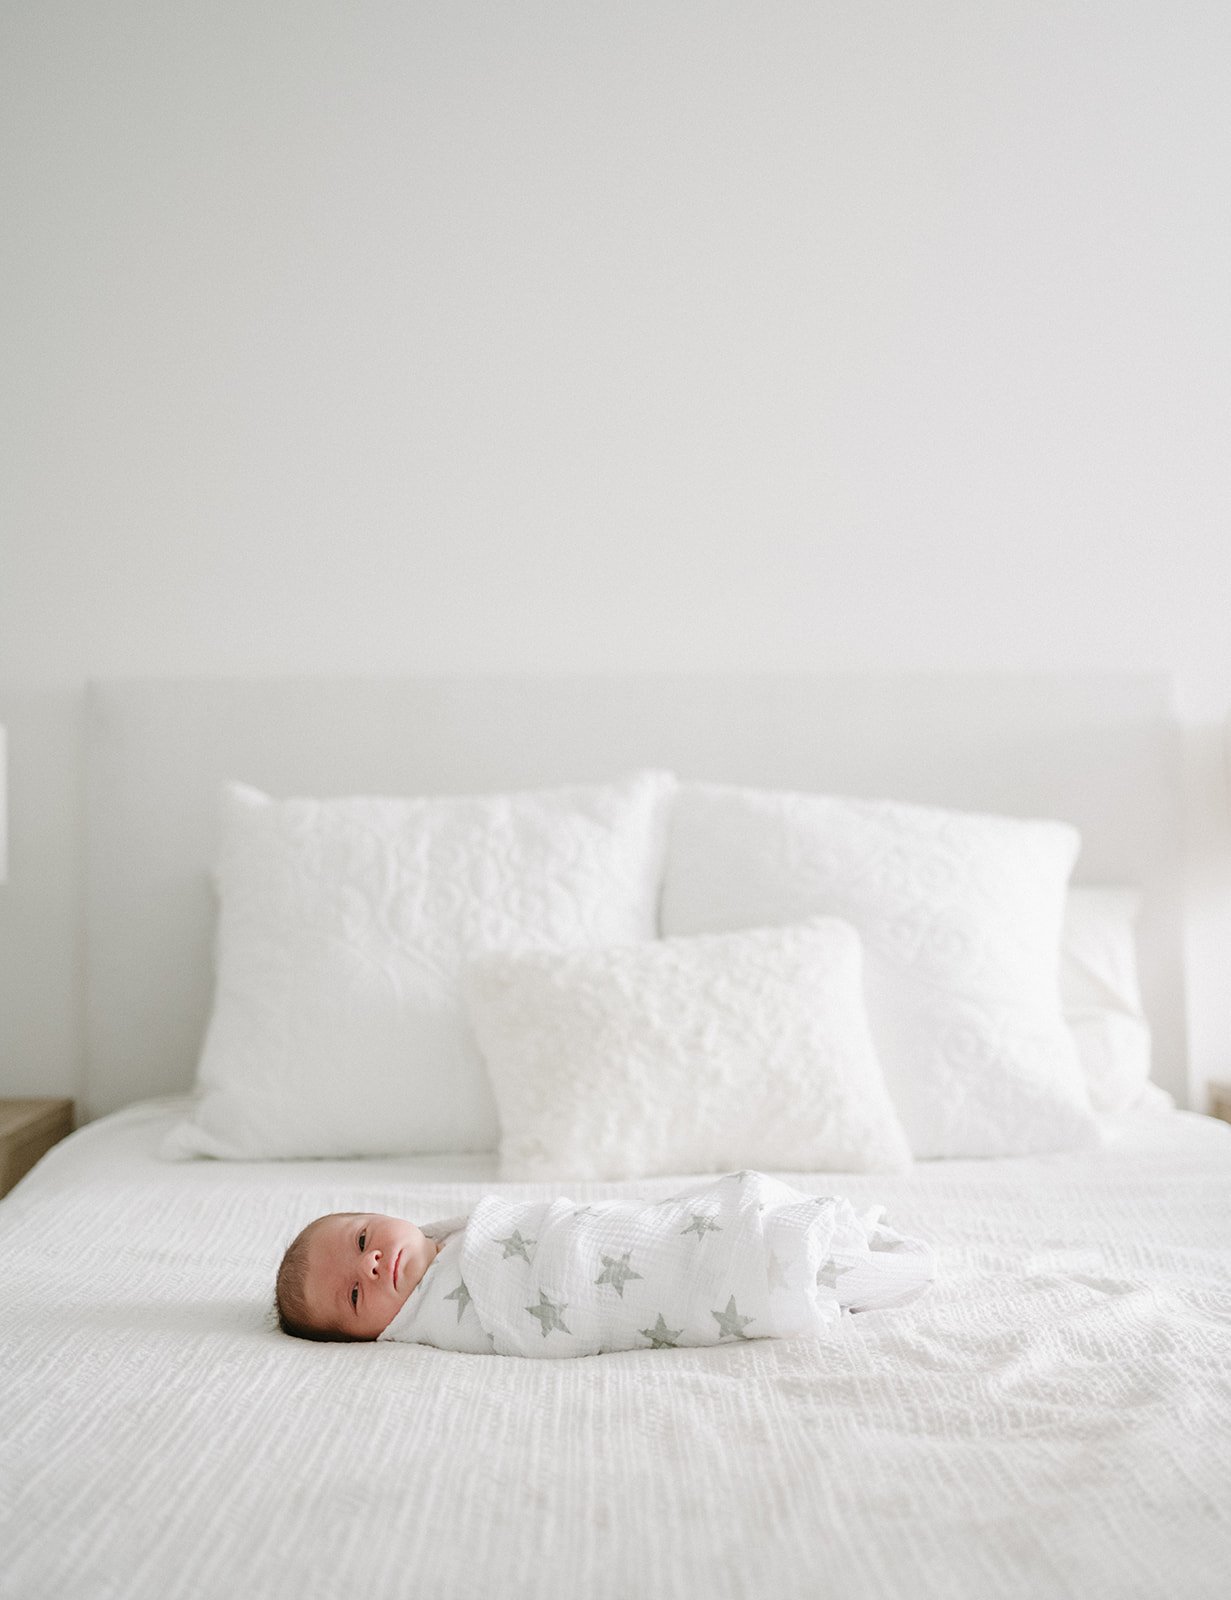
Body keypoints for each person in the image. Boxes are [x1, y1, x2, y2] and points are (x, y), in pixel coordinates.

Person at [275, 1172, 933, 1355]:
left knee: (696, 1220)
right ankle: (857, 1269)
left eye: (362, 1240)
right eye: (355, 1298)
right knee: (724, 1265)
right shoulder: (436, 1315)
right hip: (625, 1280)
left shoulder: (450, 1235)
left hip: (630, 1231)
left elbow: (554, 1224)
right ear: (370, 1336)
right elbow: (534, 1305)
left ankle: (832, 1239)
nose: (371, 1267)